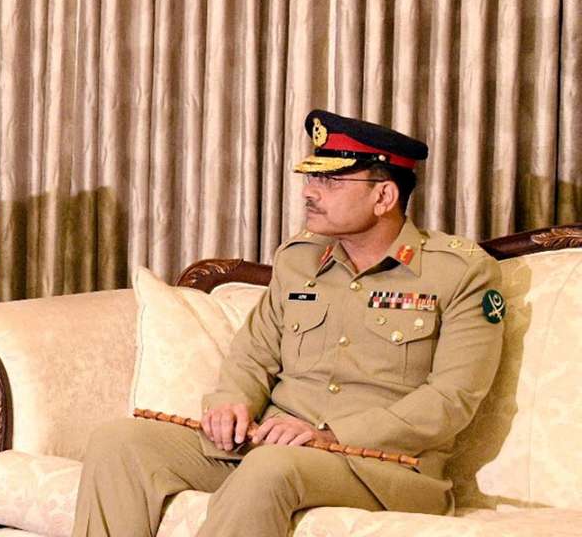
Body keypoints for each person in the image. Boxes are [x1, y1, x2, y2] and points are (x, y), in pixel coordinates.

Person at [72, 109, 506, 537]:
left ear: (384, 197)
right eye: (312, 178)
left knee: (270, 467)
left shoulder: (460, 273)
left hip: (382, 467)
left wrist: (329, 434)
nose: (310, 192)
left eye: (331, 181)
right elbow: (253, 353)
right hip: (272, 447)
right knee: (120, 442)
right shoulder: (299, 259)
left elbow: (452, 398)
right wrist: (231, 402)